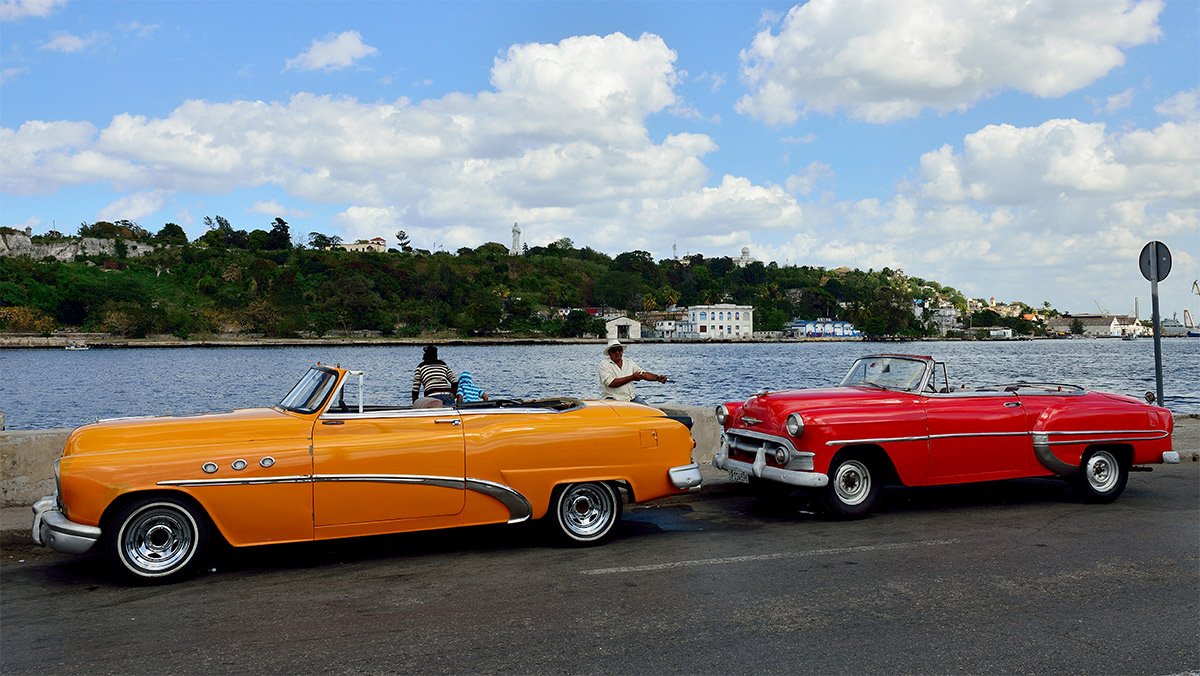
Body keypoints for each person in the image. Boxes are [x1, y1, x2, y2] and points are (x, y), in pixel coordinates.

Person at [597, 339, 667, 404]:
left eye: (619, 350)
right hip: (613, 399)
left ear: (622, 351)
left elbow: (643, 374)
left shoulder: (628, 362)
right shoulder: (604, 364)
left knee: (649, 412)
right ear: (609, 353)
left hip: (631, 398)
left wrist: (657, 378)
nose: (617, 353)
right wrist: (632, 377)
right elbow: (611, 383)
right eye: (614, 351)